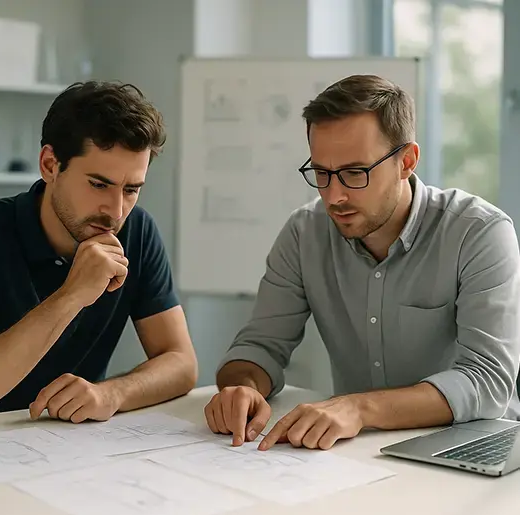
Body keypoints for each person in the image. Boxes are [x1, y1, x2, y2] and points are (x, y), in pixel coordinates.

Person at [204, 74, 520, 452]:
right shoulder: (305, 233)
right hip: (358, 451)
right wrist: (243, 389)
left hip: (468, 448)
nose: (334, 196)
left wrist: (360, 407)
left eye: (355, 173)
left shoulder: (479, 232)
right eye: (322, 174)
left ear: (406, 161)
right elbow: (259, 346)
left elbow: (488, 381)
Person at [0, 80, 198, 430]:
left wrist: (112, 394)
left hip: (61, 447)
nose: (116, 210)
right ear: (49, 165)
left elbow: (181, 363)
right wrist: (71, 296)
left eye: (131, 189)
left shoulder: (137, 231)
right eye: (98, 184)